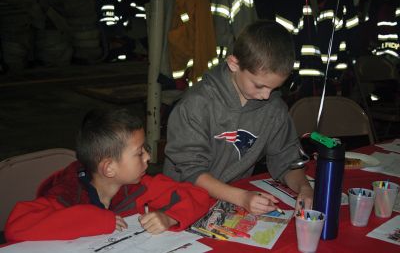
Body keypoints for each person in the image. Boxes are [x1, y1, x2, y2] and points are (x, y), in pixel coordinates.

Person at [163, 20, 313, 215]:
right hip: (180, 203)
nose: (266, 96)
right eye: (259, 86)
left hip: (231, 201)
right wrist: (242, 197)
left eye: (274, 88)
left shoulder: (273, 109)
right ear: (234, 64)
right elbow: (191, 172)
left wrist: (304, 188)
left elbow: (286, 160)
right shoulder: (196, 105)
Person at [5, 108, 211, 242]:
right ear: (109, 168)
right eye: (139, 152)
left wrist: (170, 218)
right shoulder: (66, 194)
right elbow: (16, 226)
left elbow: (198, 195)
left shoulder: (139, 186)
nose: (148, 157)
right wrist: (99, 220)